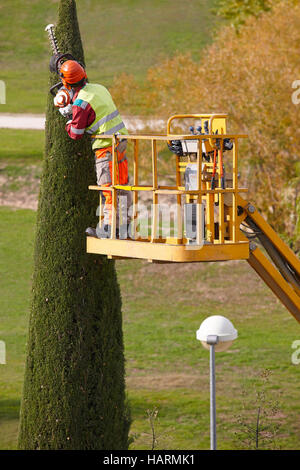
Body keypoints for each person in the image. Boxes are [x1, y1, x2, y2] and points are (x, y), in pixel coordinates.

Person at [55, 59, 131, 238]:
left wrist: (68, 115)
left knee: (108, 188)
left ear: (66, 83)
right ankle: (125, 227)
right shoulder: (99, 88)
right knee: (122, 186)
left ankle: (108, 229)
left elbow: (75, 133)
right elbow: (95, 116)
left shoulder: (81, 103)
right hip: (121, 141)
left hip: (106, 147)